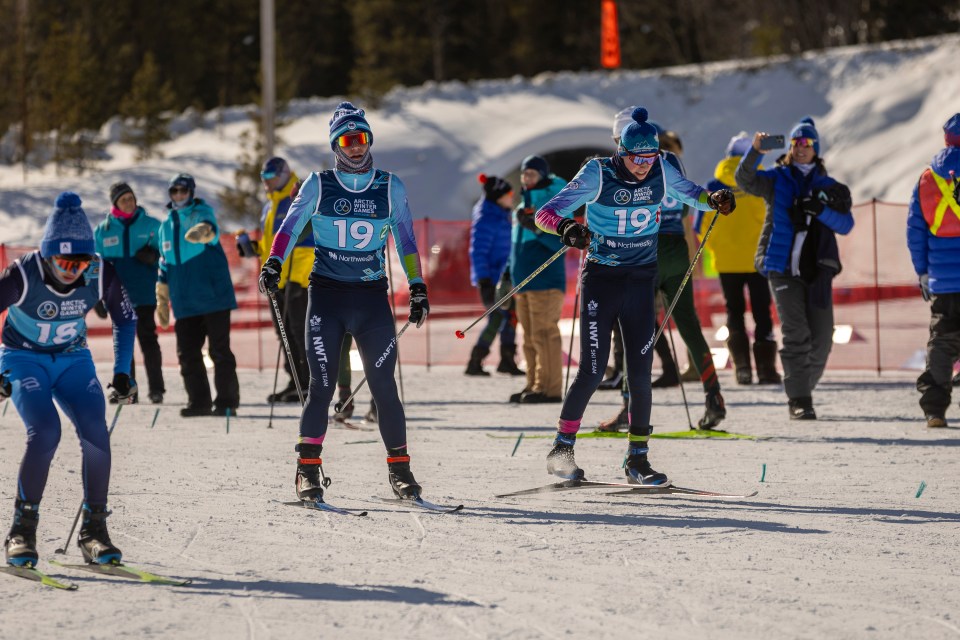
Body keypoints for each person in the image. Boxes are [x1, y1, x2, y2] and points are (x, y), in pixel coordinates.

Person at [534, 107, 735, 485]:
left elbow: (692, 194)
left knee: (641, 373)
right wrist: (568, 228)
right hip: (602, 281)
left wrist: (716, 199)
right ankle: (562, 449)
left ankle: (637, 460)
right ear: (621, 152)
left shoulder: (662, 168)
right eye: (636, 158)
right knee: (592, 370)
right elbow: (544, 214)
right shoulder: (598, 173)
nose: (643, 165)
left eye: (649, 157)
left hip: (642, 280)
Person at [258, 101, 431, 501]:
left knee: (384, 387)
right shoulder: (318, 184)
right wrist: (274, 263)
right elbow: (289, 227)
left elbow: (406, 240)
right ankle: (307, 470)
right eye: (348, 140)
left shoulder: (390, 186)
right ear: (335, 145)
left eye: (362, 138)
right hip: (327, 298)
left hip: (371, 300)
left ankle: (400, 470)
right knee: (321, 386)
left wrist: (418, 286)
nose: (356, 147)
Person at [2, 192, 138, 567]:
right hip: (23, 359)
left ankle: (94, 531)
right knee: (45, 432)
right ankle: (21, 532)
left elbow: (126, 318)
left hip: (72, 360)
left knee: (96, 431)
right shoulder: (23, 273)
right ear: (48, 255)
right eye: (63, 262)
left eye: (79, 262)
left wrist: (122, 372)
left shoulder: (100, 270)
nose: (71, 271)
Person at [599, 111, 727, 432]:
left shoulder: (628, 163)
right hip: (676, 248)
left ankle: (629, 408)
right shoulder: (670, 159)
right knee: (688, 325)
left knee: (633, 328)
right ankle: (713, 396)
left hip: (645, 248)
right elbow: (685, 207)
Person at [736, 117, 854, 420]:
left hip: (818, 270)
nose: (801, 148)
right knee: (796, 333)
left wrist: (820, 210)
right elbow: (744, 180)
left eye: (807, 144)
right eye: (796, 143)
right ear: (789, 147)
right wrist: (755, 151)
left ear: (816, 149)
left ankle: (801, 386)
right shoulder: (777, 179)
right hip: (781, 267)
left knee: (822, 338)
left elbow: (846, 225)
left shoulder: (828, 186)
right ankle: (800, 399)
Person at [699, 133, 781, 385]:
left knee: (733, 312)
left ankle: (742, 368)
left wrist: (718, 249)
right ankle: (766, 370)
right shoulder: (760, 182)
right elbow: (775, 218)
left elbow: (700, 225)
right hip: (759, 259)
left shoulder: (714, 184)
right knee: (762, 312)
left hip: (727, 262)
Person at [157, 173, 240, 417]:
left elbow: (210, 230)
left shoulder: (202, 212)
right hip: (184, 301)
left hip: (213, 297)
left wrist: (204, 231)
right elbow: (164, 262)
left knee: (219, 351)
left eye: (183, 190)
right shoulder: (165, 226)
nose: (179, 195)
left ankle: (226, 402)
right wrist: (162, 297)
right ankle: (199, 401)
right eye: (174, 191)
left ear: (191, 192)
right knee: (187, 353)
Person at [237, 157, 311, 403]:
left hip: (295, 280)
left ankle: (310, 382)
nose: (267, 183)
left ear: (284, 175)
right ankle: (295, 381)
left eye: (271, 177)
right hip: (276, 280)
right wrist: (253, 248)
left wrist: (298, 280)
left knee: (300, 332)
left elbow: (307, 244)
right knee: (284, 333)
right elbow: (273, 245)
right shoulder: (270, 205)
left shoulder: (297, 197)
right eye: (264, 178)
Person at [907, 113, 960, 428]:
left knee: (942, 342)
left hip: (942, 279)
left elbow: (915, 231)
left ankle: (934, 408)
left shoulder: (927, 179)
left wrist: (923, 272)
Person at [94, 182, 166, 404]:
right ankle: (127, 391)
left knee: (148, 340)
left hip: (144, 293)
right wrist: (97, 297)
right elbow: (96, 266)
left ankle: (157, 390)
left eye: (131, 198)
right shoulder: (103, 230)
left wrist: (154, 255)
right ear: (115, 203)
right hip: (117, 296)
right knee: (124, 346)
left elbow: (166, 250)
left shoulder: (152, 225)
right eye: (123, 199)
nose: (129, 202)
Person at [508, 155, 569, 403]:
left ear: (543, 175)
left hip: (545, 281)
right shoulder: (524, 203)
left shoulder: (554, 200)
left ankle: (550, 388)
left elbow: (560, 242)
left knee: (544, 334)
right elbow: (516, 245)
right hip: (523, 282)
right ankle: (534, 383)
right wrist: (507, 273)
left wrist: (535, 227)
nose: (527, 178)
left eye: (532, 173)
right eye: (525, 173)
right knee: (529, 336)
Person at [465, 173, 523, 377]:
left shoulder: (502, 214)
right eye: (508, 195)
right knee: (499, 318)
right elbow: (478, 251)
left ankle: (506, 360)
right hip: (492, 280)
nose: (511, 198)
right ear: (498, 197)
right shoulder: (487, 218)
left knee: (509, 316)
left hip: (506, 278)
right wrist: (484, 280)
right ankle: (476, 360)